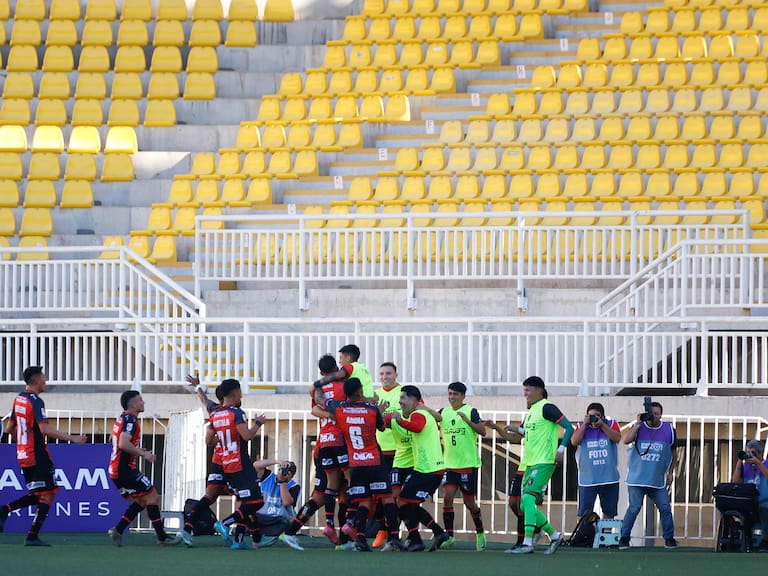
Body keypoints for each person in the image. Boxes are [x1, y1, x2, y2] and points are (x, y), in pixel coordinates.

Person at [302, 377, 404, 552]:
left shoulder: (340, 409)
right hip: (374, 461)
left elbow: (320, 400)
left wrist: (318, 384)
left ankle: (361, 540)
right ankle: (394, 538)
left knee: (363, 502)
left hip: (355, 464)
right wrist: (380, 411)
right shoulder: (371, 409)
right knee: (387, 498)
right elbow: (380, 427)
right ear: (359, 392)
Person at [0, 366, 87, 546]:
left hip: (23, 454)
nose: (45, 381)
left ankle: (7, 511)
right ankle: (30, 535)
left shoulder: (19, 399)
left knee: (41, 493)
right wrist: (72, 438)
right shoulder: (35, 401)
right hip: (37, 455)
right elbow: (44, 429)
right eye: (43, 377)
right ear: (37, 379)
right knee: (47, 494)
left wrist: (22, 440)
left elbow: (10, 428)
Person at [282, 354, 348, 547]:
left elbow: (314, 410)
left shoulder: (317, 389)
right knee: (346, 492)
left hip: (322, 445)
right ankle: (343, 540)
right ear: (337, 368)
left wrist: (327, 414)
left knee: (320, 494)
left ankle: (294, 530)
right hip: (341, 442)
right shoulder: (344, 385)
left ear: (321, 372)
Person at [508, 375, 573, 555]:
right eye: (524, 390)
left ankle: (527, 543)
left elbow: (569, 428)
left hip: (544, 461)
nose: (525, 394)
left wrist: (561, 450)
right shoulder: (532, 411)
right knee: (524, 506)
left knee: (527, 500)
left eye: (528, 390)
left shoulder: (547, 407)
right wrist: (517, 429)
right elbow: (530, 432)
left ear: (539, 390)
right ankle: (554, 536)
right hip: (529, 463)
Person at [107, 390, 180, 547]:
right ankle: (162, 537)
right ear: (133, 404)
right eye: (140, 400)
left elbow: (118, 440)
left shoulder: (123, 418)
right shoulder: (131, 421)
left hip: (116, 470)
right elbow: (123, 443)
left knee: (142, 500)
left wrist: (140, 450)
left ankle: (118, 530)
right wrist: (143, 454)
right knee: (153, 496)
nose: (143, 402)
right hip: (123, 470)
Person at [388, 385, 450, 552]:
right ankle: (435, 534)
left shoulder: (419, 413)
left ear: (414, 399)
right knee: (410, 504)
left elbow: (418, 427)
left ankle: (420, 538)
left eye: (403, 398)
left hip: (427, 470)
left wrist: (400, 421)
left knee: (402, 503)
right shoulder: (422, 413)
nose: (400, 402)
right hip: (429, 470)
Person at [207, 379, 267, 550]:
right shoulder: (237, 413)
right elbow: (247, 436)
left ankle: (240, 540)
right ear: (234, 393)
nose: (241, 394)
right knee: (257, 501)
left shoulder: (216, 414)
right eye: (240, 391)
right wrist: (258, 424)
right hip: (241, 464)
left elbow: (209, 440)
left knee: (247, 502)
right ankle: (224, 523)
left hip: (226, 464)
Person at [180, 375, 232, 546]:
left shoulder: (214, 410)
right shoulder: (232, 414)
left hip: (218, 463)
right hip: (232, 464)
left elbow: (204, 400)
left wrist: (197, 386)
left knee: (209, 497)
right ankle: (233, 529)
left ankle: (187, 528)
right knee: (251, 497)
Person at [619, 401, 678, 550]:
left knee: (665, 507)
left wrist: (671, 472)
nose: (654, 416)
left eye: (657, 414)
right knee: (634, 508)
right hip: (636, 479)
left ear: (661, 415)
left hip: (656, 480)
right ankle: (624, 538)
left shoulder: (669, 429)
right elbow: (626, 440)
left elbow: (674, 452)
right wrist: (638, 423)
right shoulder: (639, 427)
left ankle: (669, 539)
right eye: (652, 413)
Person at [439, 381, 486, 551]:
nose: (452, 397)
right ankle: (450, 536)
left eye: (455, 394)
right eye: (450, 394)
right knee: (447, 498)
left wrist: (467, 421)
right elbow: (431, 423)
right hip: (450, 465)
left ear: (463, 396)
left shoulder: (470, 411)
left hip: (468, 465)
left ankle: (480, 532)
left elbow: (482, 431)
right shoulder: (443, 413)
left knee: (469, 502)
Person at [571, 402, 622, 521]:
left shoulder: (611, 424)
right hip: (588, 479)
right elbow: (574, 441)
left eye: (597, 416)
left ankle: (605, 537)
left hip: (609, 478)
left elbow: (617, 438)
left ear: (603, 416)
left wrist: (602, 425)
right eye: (590, 416)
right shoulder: (582, 426)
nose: (593, 419)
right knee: (584, 513)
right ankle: (584, 537)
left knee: (609, 513)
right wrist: (584, 424)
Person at [371, 361, 402, 548]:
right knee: (377, 495)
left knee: (395, 497)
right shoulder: (374, 395)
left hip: (400, 453)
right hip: (378, 453)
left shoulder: (405, 392)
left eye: (388, 373)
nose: (384, 377)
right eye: (381, 374)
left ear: (396, 374)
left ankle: (394, 535)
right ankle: (382, 530)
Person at [251, 459, 300, 547]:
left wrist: (282, 482)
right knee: (248, 514)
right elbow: (256, 465)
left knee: (292, 522)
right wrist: (278, 461)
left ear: (291, 476)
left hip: (279, 519)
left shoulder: (294, 486)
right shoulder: (268, 477)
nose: (282, 472)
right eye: (281, 469)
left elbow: (286, 502)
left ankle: (271, 536)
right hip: (261, 516)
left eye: (286, 472)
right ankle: (258, 535)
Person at [730, 439, 768, 552]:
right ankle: (738, 540)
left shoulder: (765, 464)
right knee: (735, 511)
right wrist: (739, 461)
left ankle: (766, 541)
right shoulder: (745, 467)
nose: (750, 456)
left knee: (765, 508)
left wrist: (758, 463)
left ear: (760, 454)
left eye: (753, 453)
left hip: (764, 502)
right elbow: (735, 482)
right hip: (748, 503)